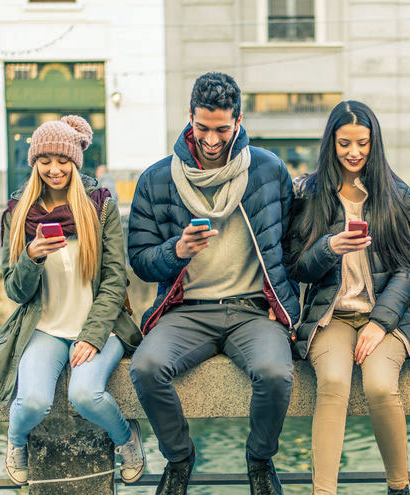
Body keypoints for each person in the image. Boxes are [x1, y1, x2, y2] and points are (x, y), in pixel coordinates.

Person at [127, 72, 299, 495]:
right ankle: (180, 458)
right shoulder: (157, 178)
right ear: (190, 117)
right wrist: (177, 251)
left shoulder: (268, 169)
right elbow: (140, 260)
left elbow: (291, 245)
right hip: (186, 310)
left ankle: (259, 460)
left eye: (222, 129)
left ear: (238, 121)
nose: (211, 138)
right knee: (146, 368)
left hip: (252, 311)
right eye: (203, 127)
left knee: (276, 373)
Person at [0, 115, 145, 486]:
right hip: (45, 329)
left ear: (75, 161)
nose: (54, 169)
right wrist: (31, 257)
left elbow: (116, 279)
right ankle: (16, 442)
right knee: (33, 401)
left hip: (100, 328)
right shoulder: (18, 213)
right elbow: (15, 291)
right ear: (34, 163)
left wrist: (91, 336)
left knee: (86, 394)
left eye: (63, 160)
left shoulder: (99, 206)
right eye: (45, 160)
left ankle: (126, 439)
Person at [287, 101, 410, 495]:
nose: (354, 152)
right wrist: (328, 247)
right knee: (333, 381)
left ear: (375, 143)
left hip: (384, 318)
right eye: (344, 143)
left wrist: (380, 322)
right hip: (331, 316)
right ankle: (324, 491)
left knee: (380, 387)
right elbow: (296, 267)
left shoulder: (396, 193)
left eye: (363, 143)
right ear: (331, 143)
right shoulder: (309, 192)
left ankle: (398, 487)